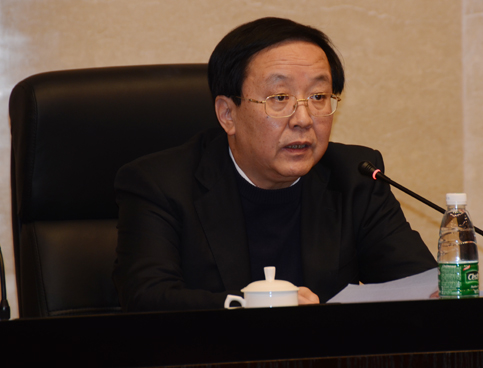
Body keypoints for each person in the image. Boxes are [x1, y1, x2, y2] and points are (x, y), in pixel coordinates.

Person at [112, 17, 437, 311]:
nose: (303, 119)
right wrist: (257, 306)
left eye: (318, 97)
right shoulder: (161, 184)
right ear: (228, 114)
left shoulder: (355, 176)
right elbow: (146, 298)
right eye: (279, 98)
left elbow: (421, 289)